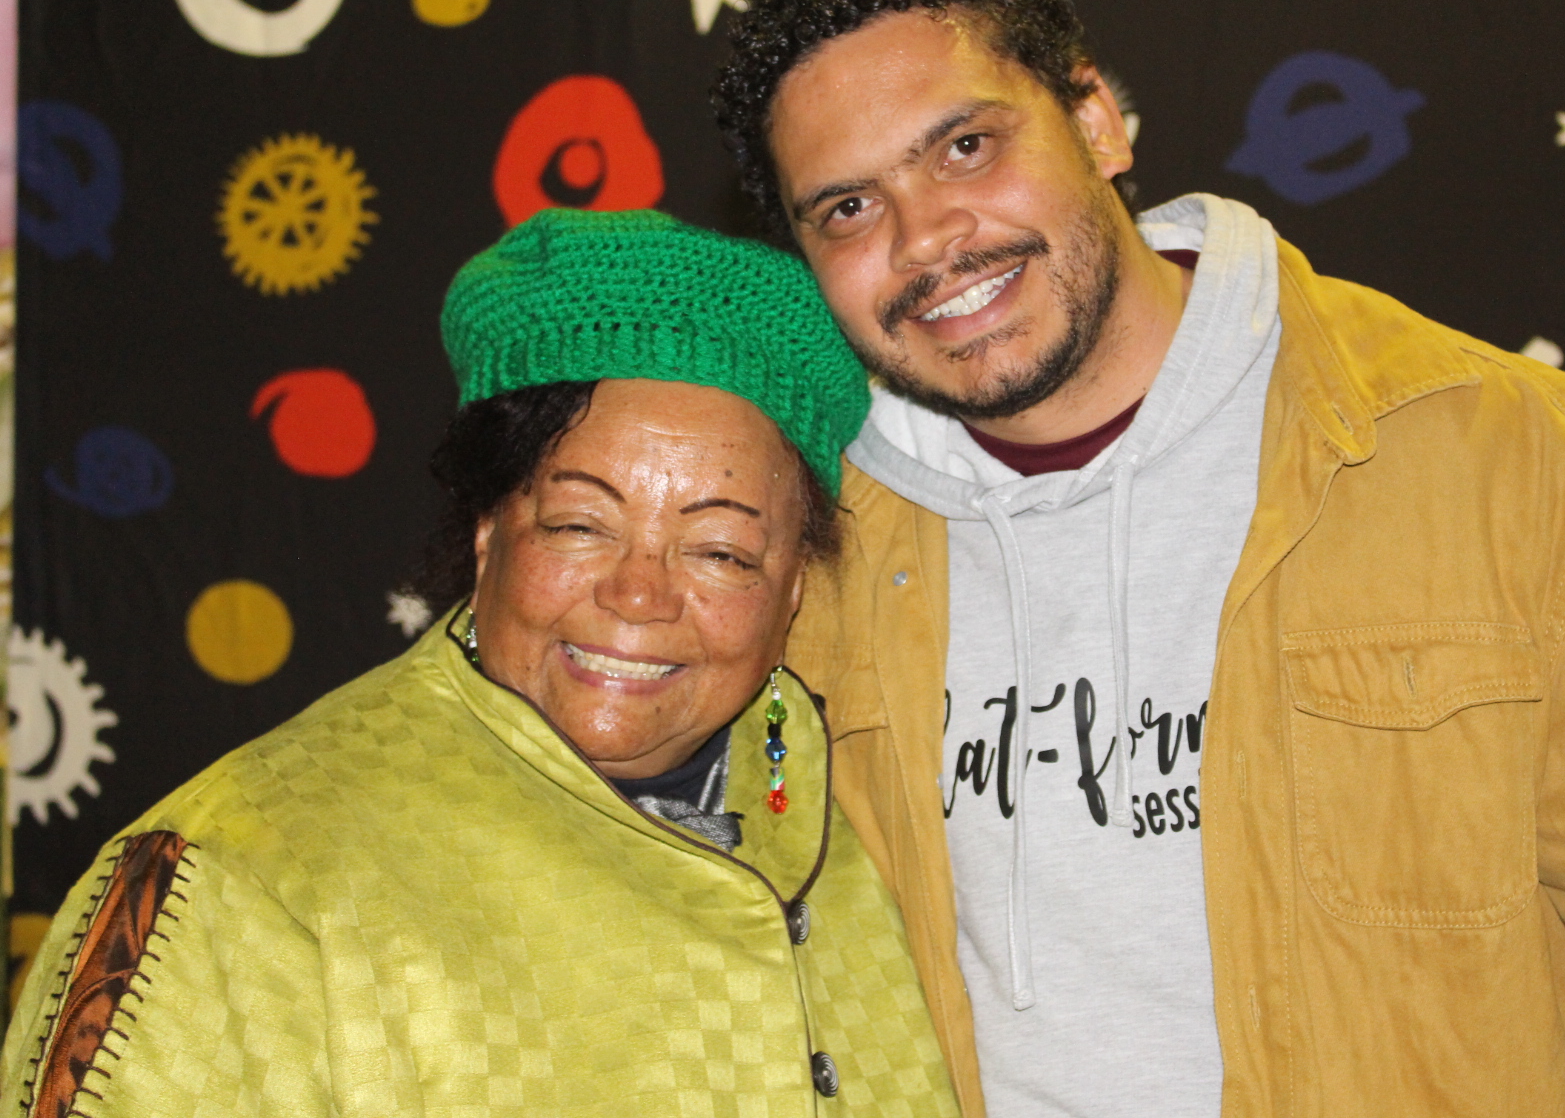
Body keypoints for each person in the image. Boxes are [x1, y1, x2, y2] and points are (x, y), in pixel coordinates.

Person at [710, 0, 1565, 1117]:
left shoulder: (1516, 460)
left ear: (1098, 121)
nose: (925, 238)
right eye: (848, 206)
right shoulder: (802, 547)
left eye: (966, 146)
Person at [1, 209, 961, 1118]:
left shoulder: (870, 816)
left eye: (720, 551)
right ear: (491, 529)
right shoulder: (244, 878)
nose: (639, 596)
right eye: (580, 525)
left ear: (794, 586)